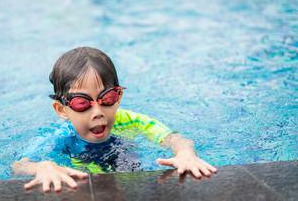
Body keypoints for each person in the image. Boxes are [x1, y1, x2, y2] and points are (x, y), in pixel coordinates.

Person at [11, 47, 217, 192]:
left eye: (107, 98)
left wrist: (185, 153)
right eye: (82, 103)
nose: (98, 112)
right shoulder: (64, 137)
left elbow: (173, 139)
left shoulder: (133, 122)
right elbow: (18, 166)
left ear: (118, 98)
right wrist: (42, 167)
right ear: (62, 110)